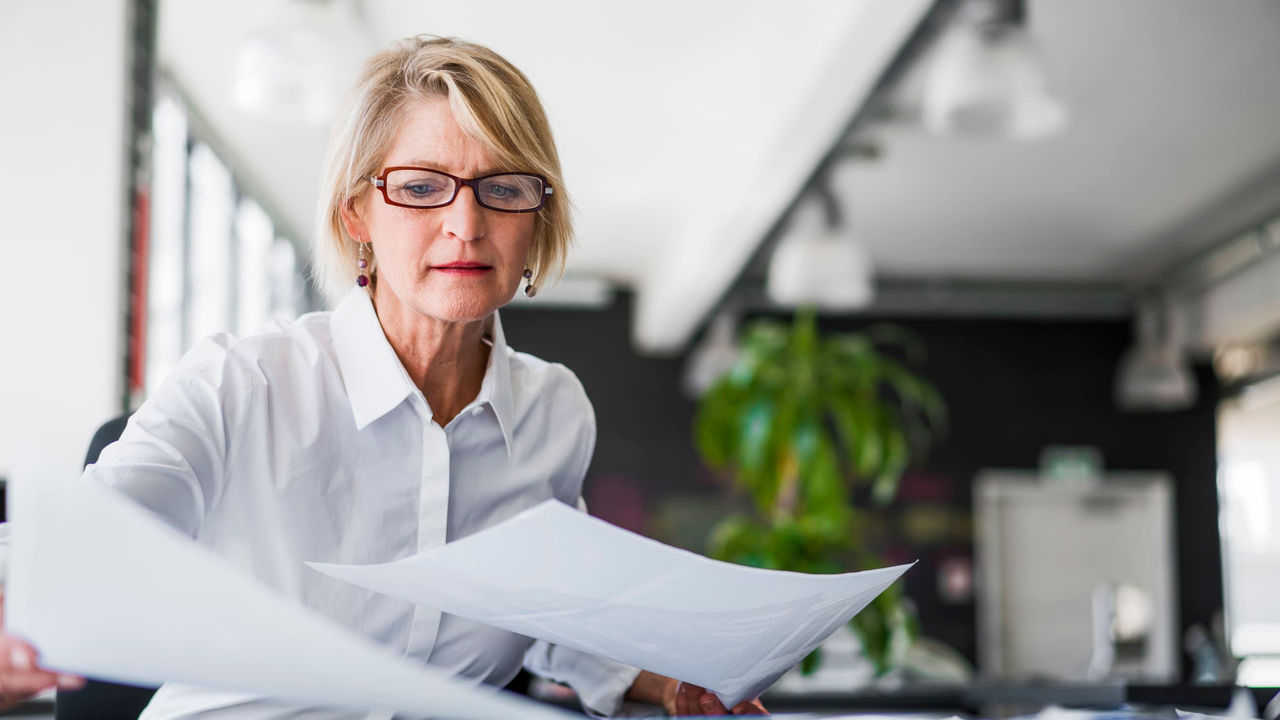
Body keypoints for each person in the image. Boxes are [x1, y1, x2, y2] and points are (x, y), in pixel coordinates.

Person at [0, 36, 767, 718]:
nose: (465, 226)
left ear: (537, 217)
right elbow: (68, 545)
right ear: (356, 216)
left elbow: (544, 611)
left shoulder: (553, 413)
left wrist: (663, 683)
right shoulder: (242, 386)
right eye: (423, 187)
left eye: (502, 189)